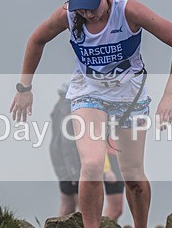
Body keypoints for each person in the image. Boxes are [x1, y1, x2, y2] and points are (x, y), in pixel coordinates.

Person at [11, 0, 172, 228]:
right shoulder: (68, 15)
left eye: (93, 6)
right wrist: (24, 88)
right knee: (93, 164)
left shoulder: (128, 10)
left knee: (132, 175)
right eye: (81, 8)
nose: (88, 14)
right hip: (88, 93)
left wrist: (170, 95)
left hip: (129, 96)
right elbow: (37, 39)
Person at [49, 86, 125, 218]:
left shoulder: (118, 92)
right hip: (78, 160)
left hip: (113, 152)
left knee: (113, 209)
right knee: (74, 208)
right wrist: (73, 172)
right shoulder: (73, 103)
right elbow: (68, 142)